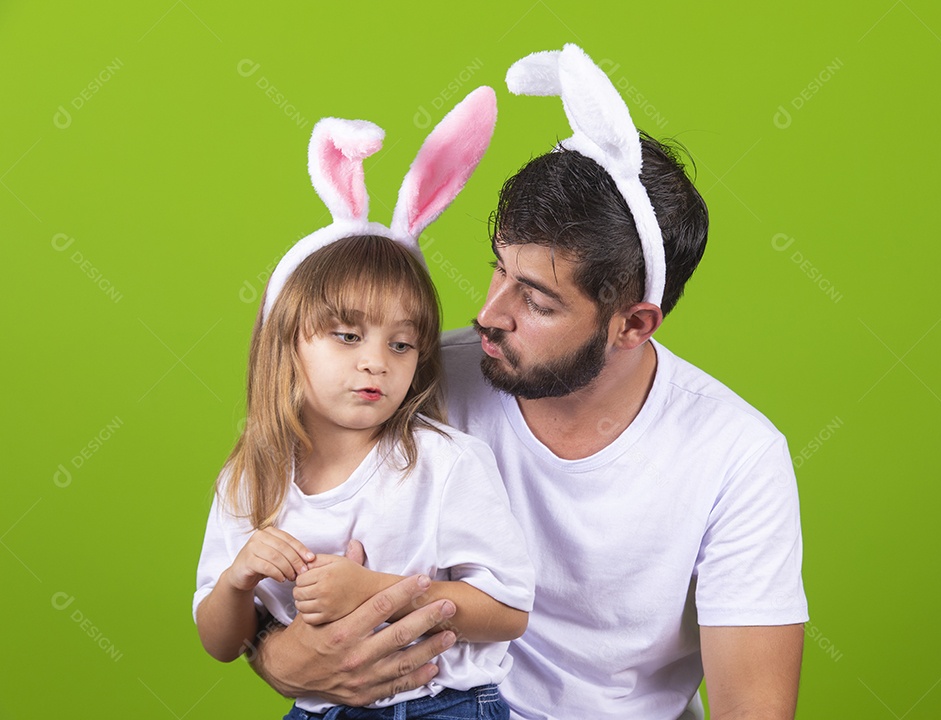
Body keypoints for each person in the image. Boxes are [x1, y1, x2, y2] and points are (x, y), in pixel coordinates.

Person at [250, 45, 807, 719]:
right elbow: (277, 547)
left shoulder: (735, 455)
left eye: (537, 301)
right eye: (498, 270)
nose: (489, 314)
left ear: (632, 324)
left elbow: (754, 709)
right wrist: (282, 658)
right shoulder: (416, 380)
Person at [194, 89, 535, 720]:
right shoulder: (249, 479)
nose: (376, 361)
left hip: (445, 706)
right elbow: (221, 643)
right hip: (320, 709)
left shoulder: (445, 463)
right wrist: (239, 577)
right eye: (347, 335)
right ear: (285, 342)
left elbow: (508, 611)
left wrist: (376, 592)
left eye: (401, 344)